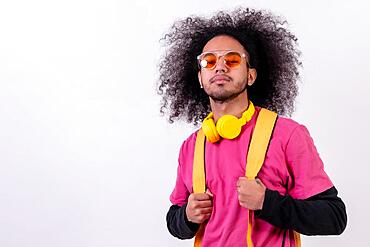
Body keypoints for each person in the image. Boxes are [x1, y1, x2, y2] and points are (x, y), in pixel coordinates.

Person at [158, 8, 347, 247]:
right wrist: (186, 217)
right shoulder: (191, 147)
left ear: (250, 75)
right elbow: (174, 220)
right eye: (209, 61)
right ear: (200, 77)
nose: (220, 67)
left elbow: (334, 217)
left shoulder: (287, 135)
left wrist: (267, 202)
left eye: (233, 59)